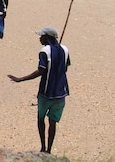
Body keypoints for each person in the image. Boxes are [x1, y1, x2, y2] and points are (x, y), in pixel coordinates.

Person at [7, 26, 71, 154]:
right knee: (52, 123)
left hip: (46, 93)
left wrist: (21, 79)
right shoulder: (65, 49)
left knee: (41, 120)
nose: (40, 39)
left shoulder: (44, 51)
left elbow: (41, 71)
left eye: (42, 36)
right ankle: (49, 150)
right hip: (61, 93)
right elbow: (65, 67)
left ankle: (42, 147)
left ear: (47, 38)